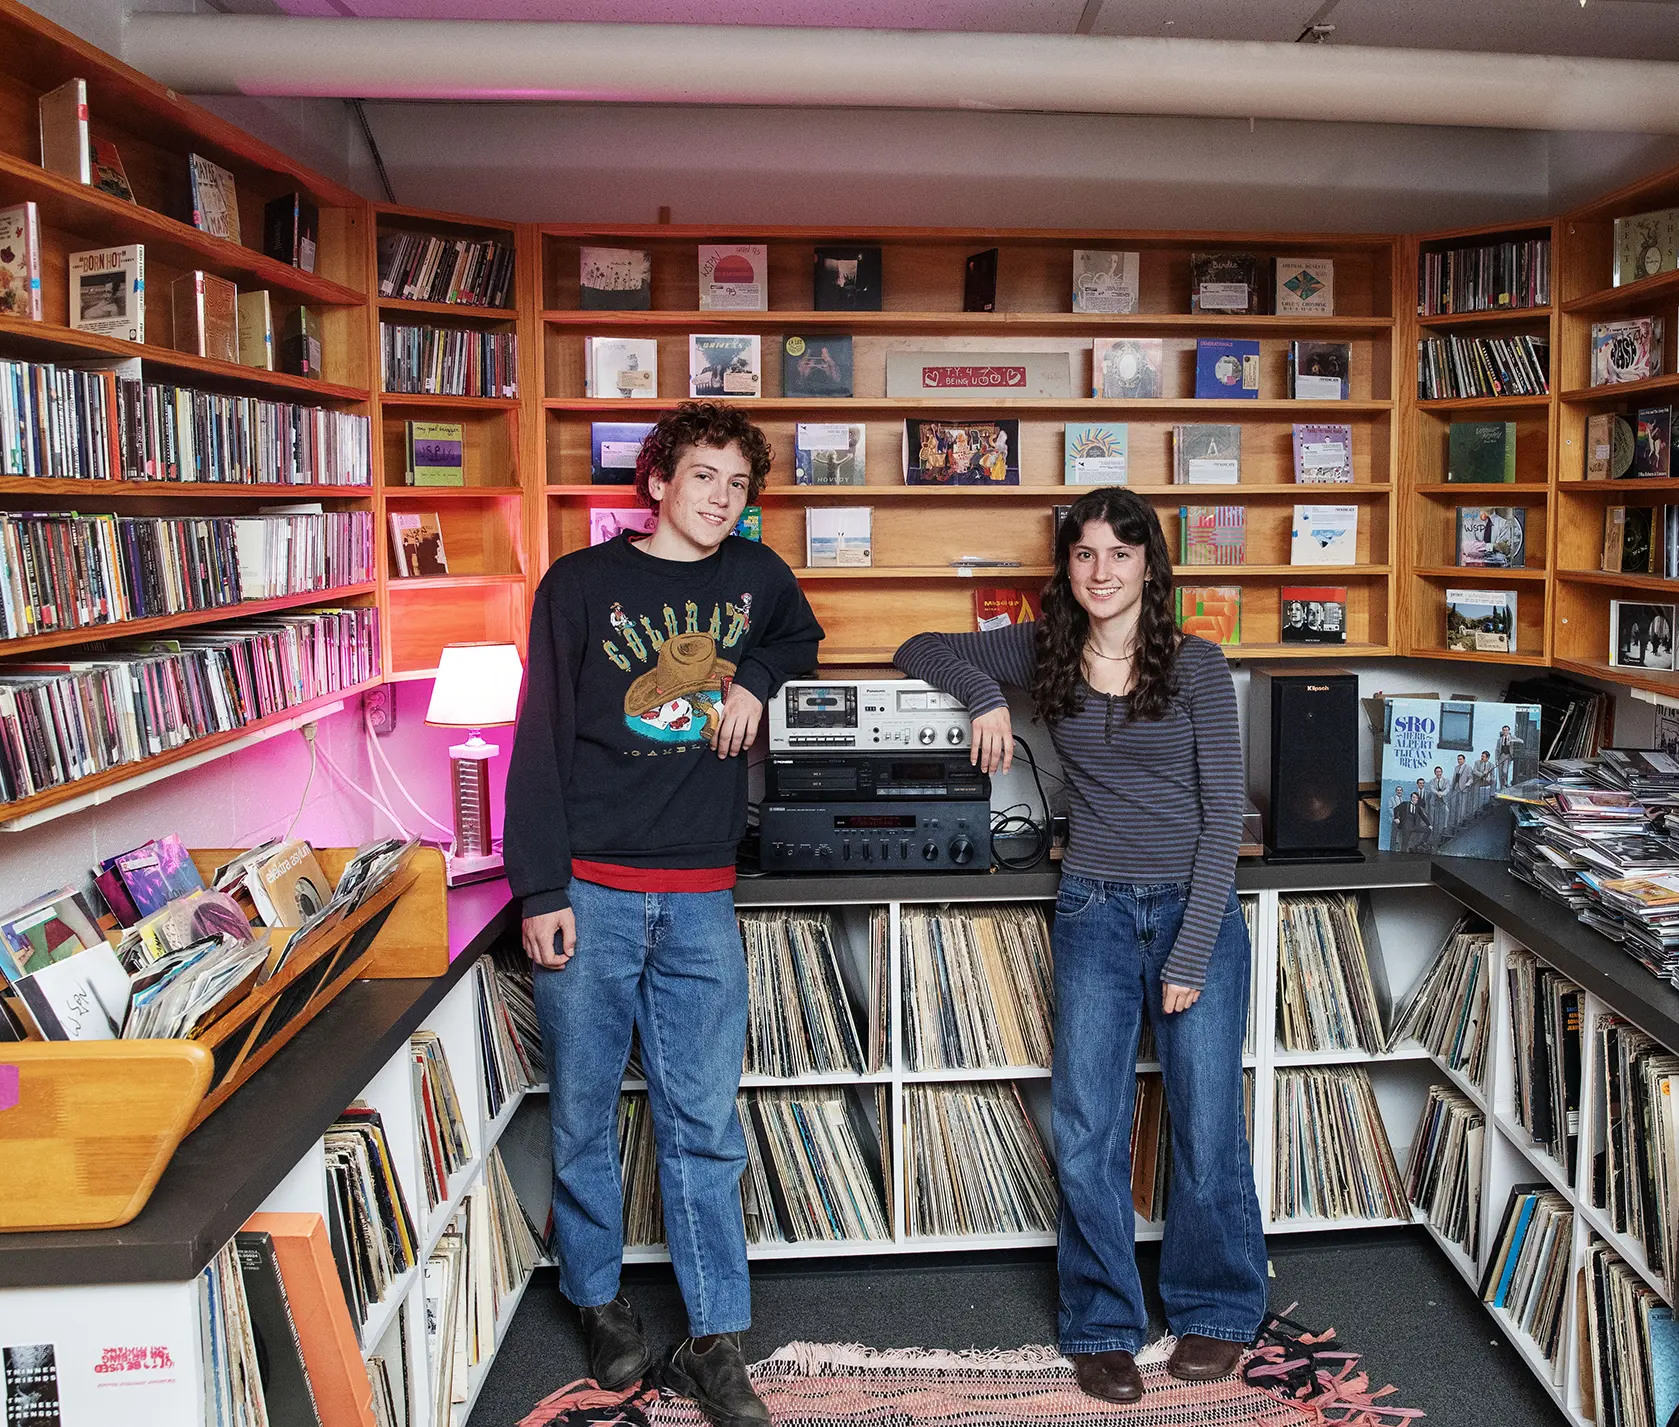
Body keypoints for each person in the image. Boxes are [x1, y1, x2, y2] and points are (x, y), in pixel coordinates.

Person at [896, 487, 1265, 1404]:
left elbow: (1224, 812)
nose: (1102, 571)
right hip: (1093, 909)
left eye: (1120, 554)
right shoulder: (1045, 649)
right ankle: (1102, 1322)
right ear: (1066, 566)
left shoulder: (1196, 664)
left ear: (1149, 566)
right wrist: (986, 697)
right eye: (1085, 553)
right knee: (1089, 1124)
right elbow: (919, 647)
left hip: (1194, 911)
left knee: (1206, 1120)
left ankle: (1217, 1307)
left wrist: (1190, 951)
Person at [505, 401, 824, 1427]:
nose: (720, 499)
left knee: (703, 1123)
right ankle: (598, 1299)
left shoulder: (756, 577)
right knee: (585, 1112)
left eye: (737, 485)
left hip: (699, 899)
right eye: (703, 478)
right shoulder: (579, 585)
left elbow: (801, 635)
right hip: (590, 892)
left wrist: (757, 680)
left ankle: (712, 1336)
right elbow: (538, 737)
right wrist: (538, 888)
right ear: (656, 481)